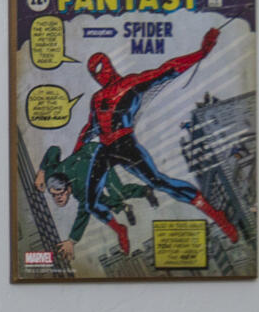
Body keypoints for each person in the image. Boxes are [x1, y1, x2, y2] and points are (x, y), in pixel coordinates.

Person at [69, 30, 242, 249]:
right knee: (90, 201)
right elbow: (90, 127)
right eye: (95, 72)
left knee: (158, 181)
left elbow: (167, 69)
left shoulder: (131, 83)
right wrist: (75, 154)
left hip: (125, 144)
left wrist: (201, 52)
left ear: (109, 64)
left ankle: (215, 214)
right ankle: (120, 229)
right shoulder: (97, 98)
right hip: (105, 149)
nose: (100, 75)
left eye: (101, 67)